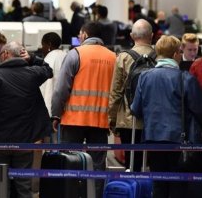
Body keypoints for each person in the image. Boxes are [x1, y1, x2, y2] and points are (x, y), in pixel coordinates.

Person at [0, 41, 53, 198]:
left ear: (6, 55)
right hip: (24, 142)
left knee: (1, 186)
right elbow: (48, 70)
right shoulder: (32, 73)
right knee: (24, 187)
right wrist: (32, 58)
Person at [131, 35, 202, 198]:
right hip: (180, 140)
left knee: (159, 183)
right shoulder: (185, 78)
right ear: (176, 54)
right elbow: (198, 110)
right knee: (178, 184)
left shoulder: (145, 76)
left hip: (153, 139)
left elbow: (136, 109)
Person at [51, 21, 116, 197]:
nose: (79, 37)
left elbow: (61, 89)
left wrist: (55, 114)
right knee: (97, 165)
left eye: (80, 34)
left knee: (70, 162)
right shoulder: (113, 57)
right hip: (101, 121)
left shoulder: (75, 54)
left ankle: (71, 194)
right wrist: (113, 119)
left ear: (85, 35)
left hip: (74, 119)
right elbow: (117, 91)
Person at [108, 19, 154, 171]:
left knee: (131, 162)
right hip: (153, 120)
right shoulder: (158, 56)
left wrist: (112, 119)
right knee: (153, 164)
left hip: (129, 119)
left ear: (132, 36)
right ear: (152, 36)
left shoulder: (124, 57)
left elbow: (116, 91)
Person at [39, 32, 66, 116]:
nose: (42, 48)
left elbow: (44, 88)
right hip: (64, 106)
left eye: (43, 45)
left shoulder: (48, 59)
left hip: (49, 108)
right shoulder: (66, 55)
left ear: (49, 45)